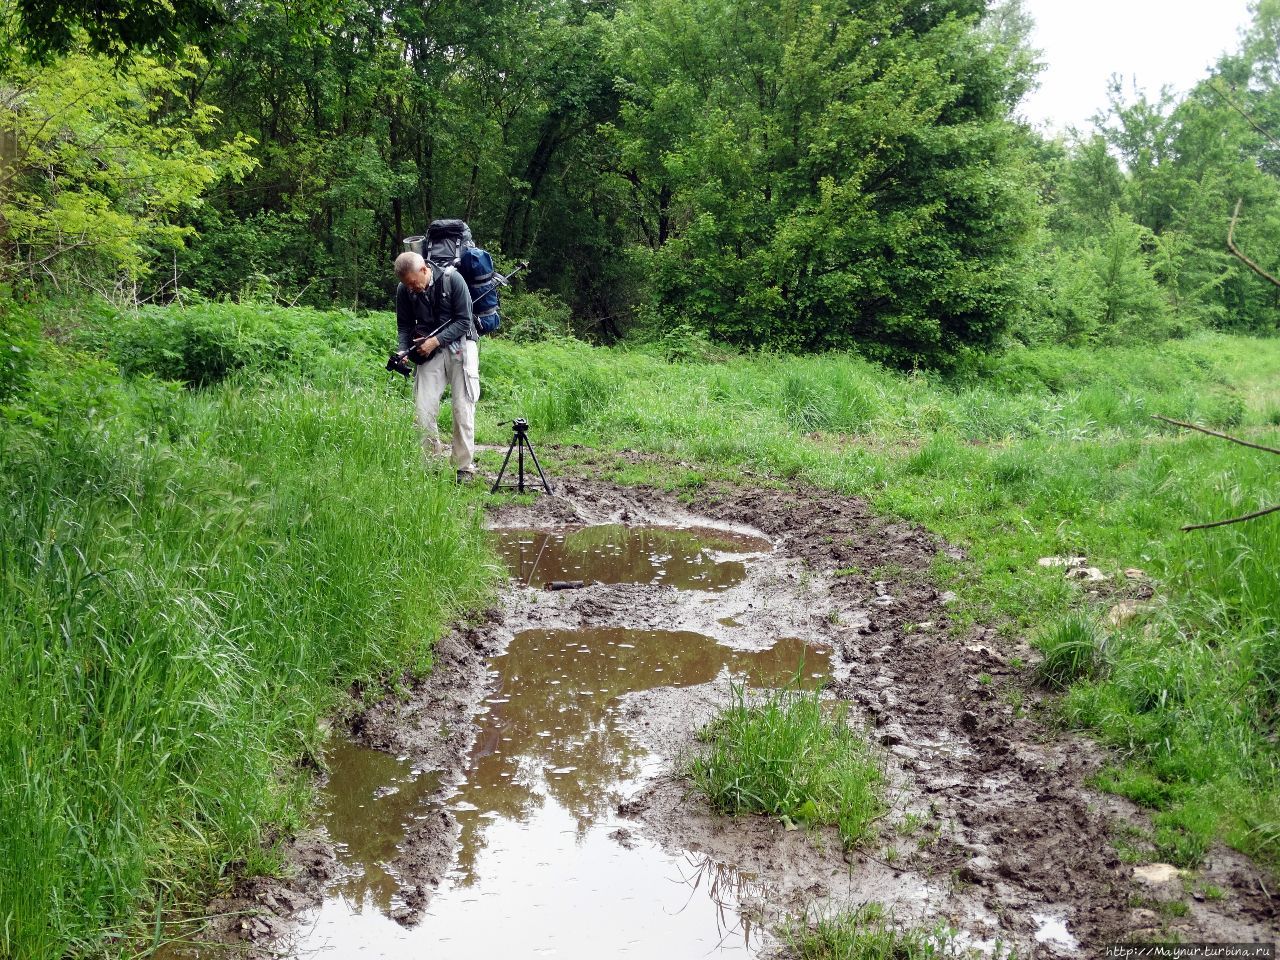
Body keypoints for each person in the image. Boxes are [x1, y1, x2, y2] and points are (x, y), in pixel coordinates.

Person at [393, 250, 479, 482]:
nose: (412, 288)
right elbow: (404, 325)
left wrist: (435, 341)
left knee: (462, 407)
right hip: (428, 348)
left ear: (424, 270)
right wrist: (404, 350)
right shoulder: (404, 290)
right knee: (423, 408)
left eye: (413, 283)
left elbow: (464, 320)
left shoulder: (454, 280)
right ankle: (430, 464)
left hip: (461, 344)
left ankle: (463, 467)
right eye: (406, 285)